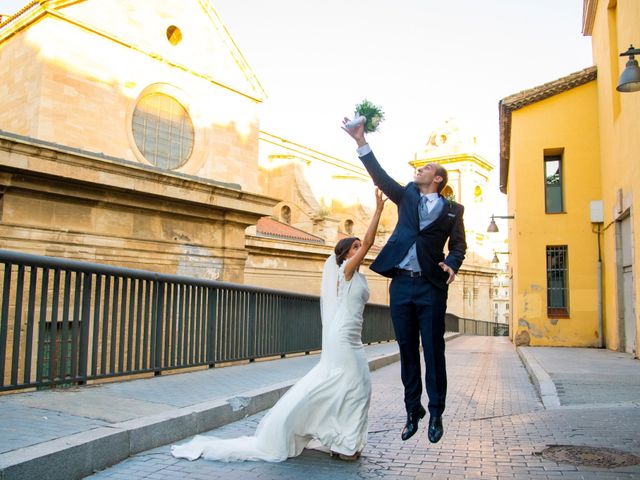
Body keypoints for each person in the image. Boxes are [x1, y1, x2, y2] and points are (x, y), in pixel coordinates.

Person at [171, 189, 387, 463]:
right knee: (357, 386)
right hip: (343, 337)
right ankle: (345, 444)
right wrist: (378, 210)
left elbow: (371, 249)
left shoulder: (358, 275)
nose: (360, 249)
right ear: (345, 255)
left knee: (346, 386)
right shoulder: (346, 272)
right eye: (354, 247)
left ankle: (340, 440)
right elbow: (369, 241)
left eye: (358, 247)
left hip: (350, 336)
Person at [342, 118, 466, 445]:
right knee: (407, 349)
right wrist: (360, 141)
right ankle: (414, 411)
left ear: (437, 178)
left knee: (433, 350)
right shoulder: (408, 195)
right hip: (401, 283)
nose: (419, 171)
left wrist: (452, 263)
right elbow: (380, 176)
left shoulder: (454, 210)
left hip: (431, 286)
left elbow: (458, 245)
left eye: (425, 169)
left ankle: (436, 411)